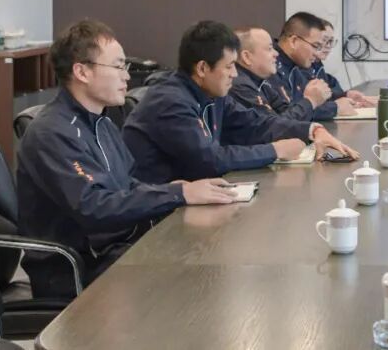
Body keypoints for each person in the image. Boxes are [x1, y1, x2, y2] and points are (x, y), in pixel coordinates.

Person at [16, 20, 237, 298]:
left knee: (209, 254)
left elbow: (125, 184)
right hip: (77, 268)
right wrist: (178, 194)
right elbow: (94, 207)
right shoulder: (52, 133)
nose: (127, 76)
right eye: (119, 66)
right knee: (194, 279)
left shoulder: (102, 123)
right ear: (82, 72)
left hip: (115, 248)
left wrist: (174, 189)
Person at [123, 21, 359, 184]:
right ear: (202, 68)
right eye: (228, 67)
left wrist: (312, 130)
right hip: (157, 219)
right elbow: (208, 160)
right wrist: (275, 150)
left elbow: (257, 123)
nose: (234, 74)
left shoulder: (213, 94)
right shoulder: (170, 101)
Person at [229, 26, 332, 121]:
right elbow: (272, 126)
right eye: (269, 49)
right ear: (247, 57)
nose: (276, 53)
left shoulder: (262, 82)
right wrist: (310, 101)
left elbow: (286, 110)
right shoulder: (240, 85)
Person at [275, 12, 359, 120]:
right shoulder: (271, 67)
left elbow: (309, 102)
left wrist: (343, 96)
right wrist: (334, 108)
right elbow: (285, 116)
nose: (316, 53)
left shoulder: (296, 65)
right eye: (315, 46)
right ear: (294, 41)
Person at [307, 19, 374, 106]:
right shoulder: (300, 69)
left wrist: (346, 95)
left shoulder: (319, 68)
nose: (328, 46)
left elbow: (328, 96)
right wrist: (336, 107)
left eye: (331, 41)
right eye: (324, 40)